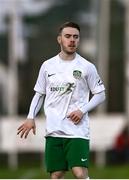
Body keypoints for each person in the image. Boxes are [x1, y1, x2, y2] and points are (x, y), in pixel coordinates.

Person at [17, 22, 106, 179]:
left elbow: (100, 94)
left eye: (75, 37)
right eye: (68, 36)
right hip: (54, 129)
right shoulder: (47, 66)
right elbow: (39, 94)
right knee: (56, 175)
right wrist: (30, 117)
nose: (72, 40)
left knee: (79, 172)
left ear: (78, 40)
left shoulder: (87, 66)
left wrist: (82, 110)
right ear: (59, 39)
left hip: (77, 130)